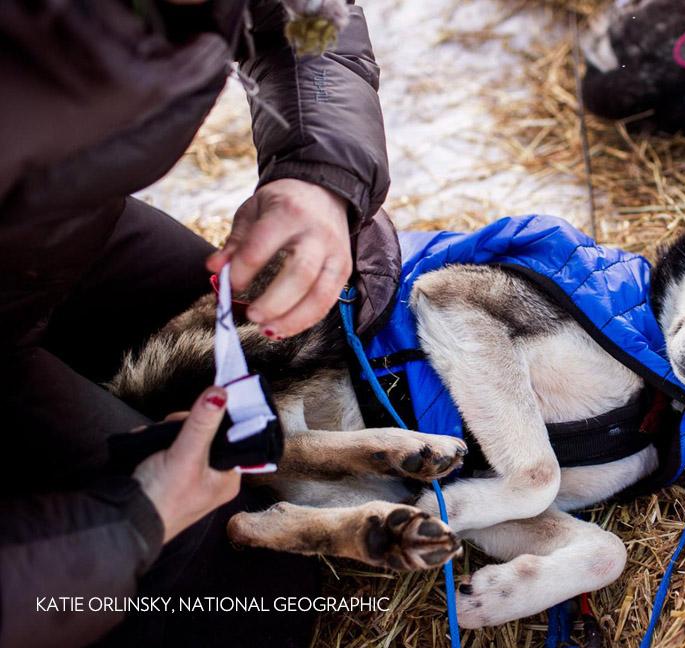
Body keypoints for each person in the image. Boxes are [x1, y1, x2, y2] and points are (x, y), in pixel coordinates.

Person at [0, 0, 401, 646]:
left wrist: (318, 174)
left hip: (51, 233)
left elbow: (297, 14)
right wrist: (132, 521)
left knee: (251, 348)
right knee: (234, 582)